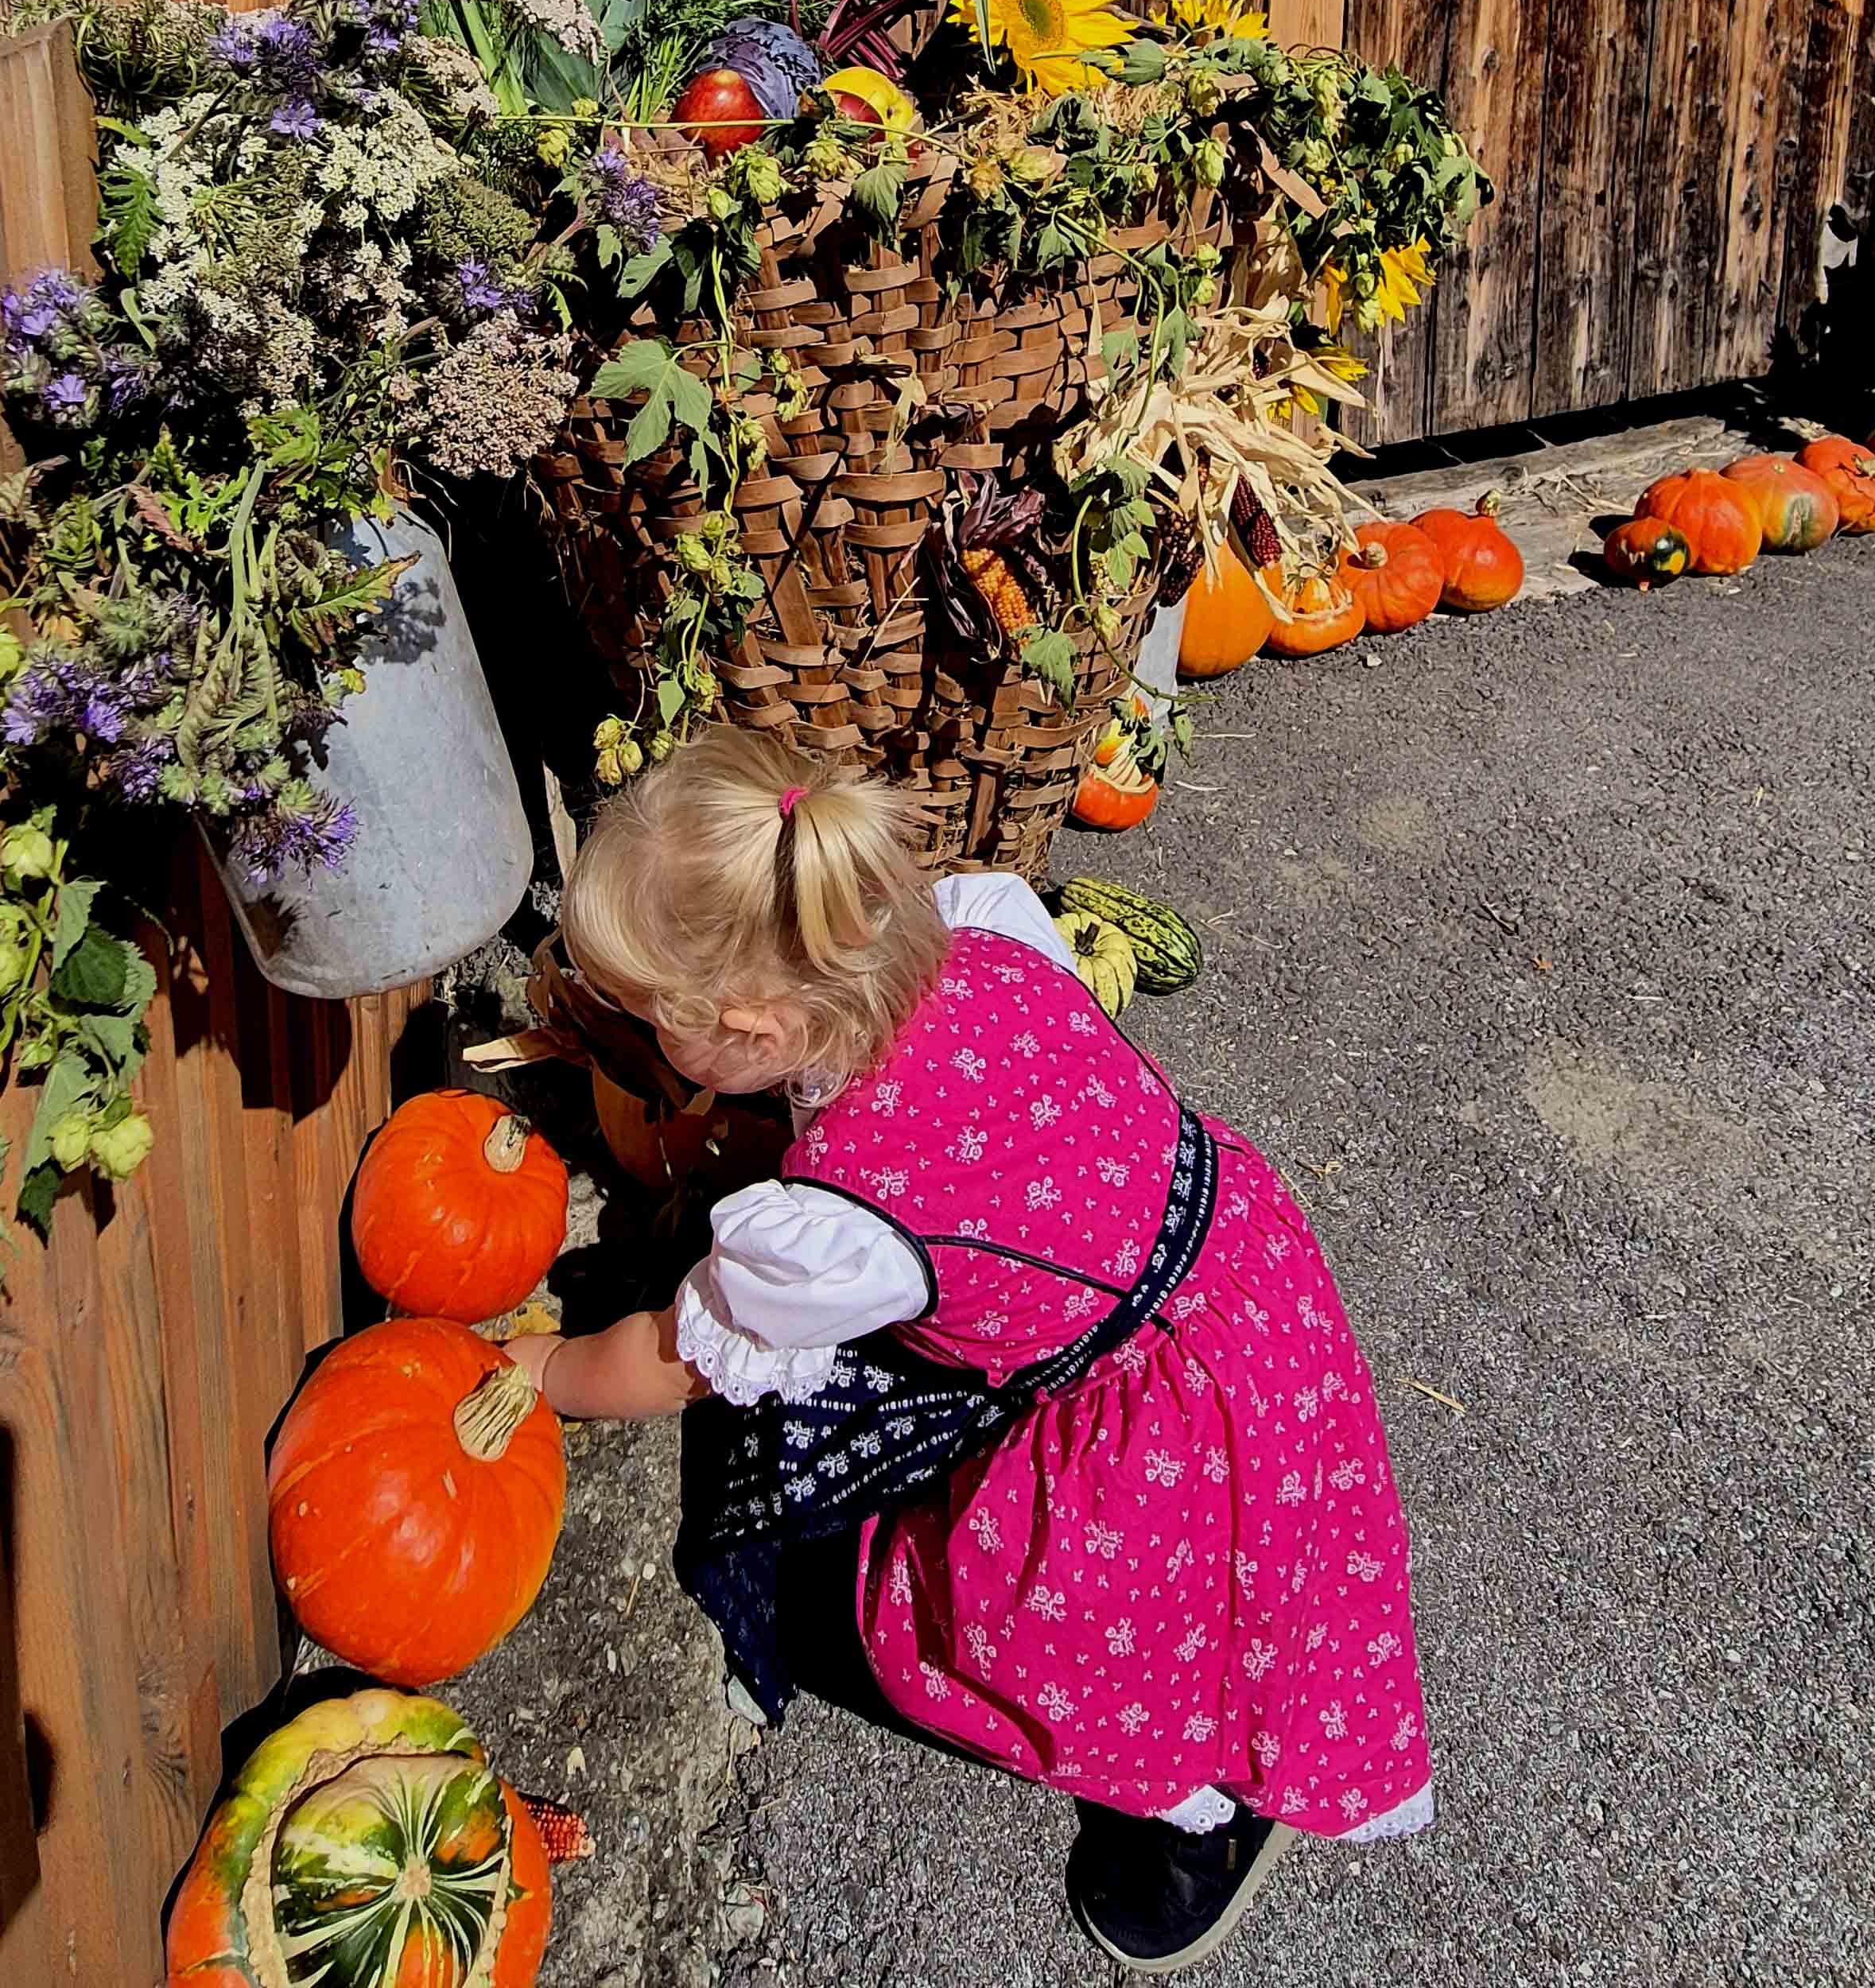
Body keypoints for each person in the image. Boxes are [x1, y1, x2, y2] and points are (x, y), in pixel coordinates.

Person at [504, 727, 1432, 1974]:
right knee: (1253, 1561)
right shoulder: (983, 929)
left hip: (1141, 1415)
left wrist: (549, 1373)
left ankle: (1194, 1814)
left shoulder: (841, 1220)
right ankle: (1230, 1720)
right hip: (1242, 1279)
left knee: (1035, 1643)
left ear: (749, 1032)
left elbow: (675, 1357)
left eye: (648, 1016)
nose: (635, 1031)